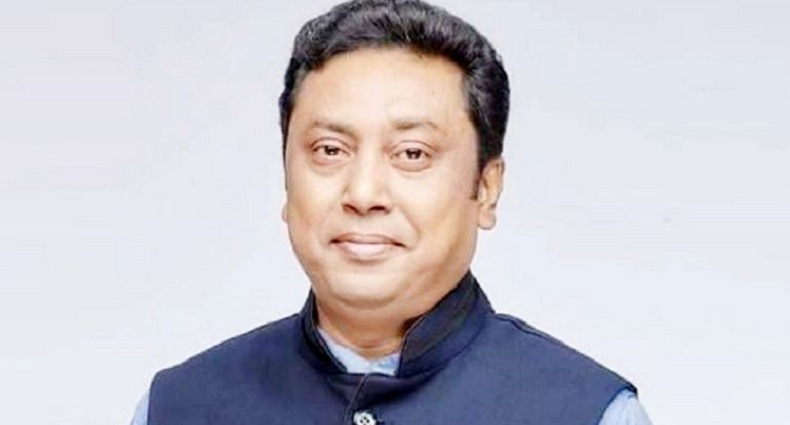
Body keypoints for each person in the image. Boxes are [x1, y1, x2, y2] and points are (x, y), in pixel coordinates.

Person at [132, 1, 652, 424]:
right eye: (330, 150)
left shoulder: (587, 413)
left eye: (412, 154)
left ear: (487, 188)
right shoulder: (177, 408)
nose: (363, 193)